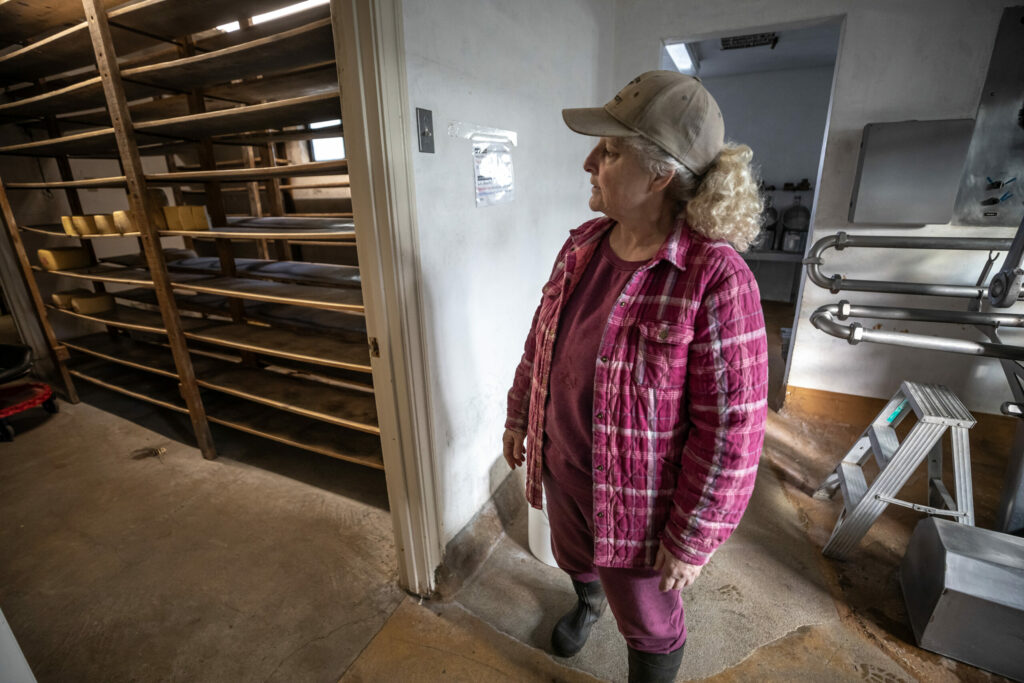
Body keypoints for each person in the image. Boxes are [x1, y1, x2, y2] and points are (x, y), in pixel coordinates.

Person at [502, 71, 769, 683]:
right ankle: (588, 602)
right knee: (575, 557)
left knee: (649, 620)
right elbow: (541, 341)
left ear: (660, 175)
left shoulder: (716, 279)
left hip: (637, 503)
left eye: (610, 151)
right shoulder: (582, 245)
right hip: (563, 470)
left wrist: (693, 536)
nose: (589, 163)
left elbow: (733, 434)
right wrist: (519, 416)